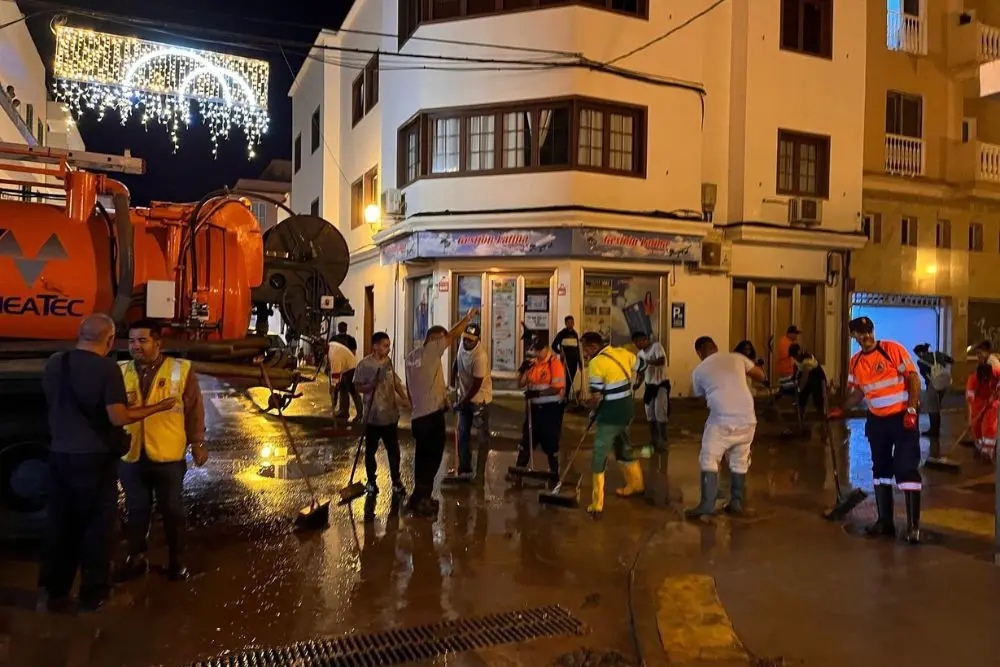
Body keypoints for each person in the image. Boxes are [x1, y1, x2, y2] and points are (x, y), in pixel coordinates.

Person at [39, 315, 175, 612]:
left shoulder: (54, 363)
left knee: (61, 525)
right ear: (110, 340)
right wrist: (157, 407)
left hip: (60, 456)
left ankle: (53, 592)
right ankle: (94, 594)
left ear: (79, 333)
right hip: (95, 461)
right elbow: (118, 417)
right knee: (97, 528)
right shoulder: (107, 369)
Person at [117, 320, 207, 582]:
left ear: (158, 343)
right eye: (132, 341)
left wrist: (198, 443)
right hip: (132, 455)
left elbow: (194, 411)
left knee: (173, 511)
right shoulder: (120, 371)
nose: (135, 346)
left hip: (168, 457)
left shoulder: (180, 370)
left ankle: (177, 563)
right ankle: (136, 559)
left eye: (142, 341)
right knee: (136, 511)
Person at [829, 316, 923, 543]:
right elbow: (859, 392)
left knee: (905, 468)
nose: (866, 336)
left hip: (902, 419)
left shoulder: (892, 349)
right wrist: (840, 409)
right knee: (880, 471)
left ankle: (913, 527)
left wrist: (911, 409)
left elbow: (913, 379)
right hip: (877, 421)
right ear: (853, 336)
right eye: (861, 333)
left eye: (869, 331)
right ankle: (885, 522)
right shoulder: (855, 362)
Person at [404, 307, 479, 517]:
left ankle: (416, 498)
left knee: (421, 458)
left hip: (418, 417)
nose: (445, 346)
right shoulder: (431, 351)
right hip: (431, 417)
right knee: (433, 459)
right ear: (435, 339)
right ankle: (423, 500)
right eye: (442, 342)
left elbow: (412, 390)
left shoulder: (411, 358)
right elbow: (452, 334)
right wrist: (468, 317)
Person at [685, 337, 765, 519]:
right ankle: (736, 502)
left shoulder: (699, 371)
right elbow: (761, 376)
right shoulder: (737, 358)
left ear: (699, 352)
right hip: (747, 419)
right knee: (740, 459)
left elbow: (700, 398)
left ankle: (707, 505)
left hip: (722, 420)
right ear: (716, 347)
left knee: (709, 457)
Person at [580, 331, 646, 516]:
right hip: (627, 410)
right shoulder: (622, 353)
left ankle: (596, 503)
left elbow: (597, 396)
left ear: (593, 347)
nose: (584, 354)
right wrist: (636, 385)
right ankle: (636, 484)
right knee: (623, 445)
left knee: (599, 455)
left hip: (610, 414)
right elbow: (642, 366)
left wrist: (589, 407)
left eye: (585, 349)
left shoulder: (596, 363)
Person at [354, 332, 410, 495]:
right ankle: (371, 481)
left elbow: (396, 383)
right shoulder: (364, 365)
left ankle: (396, 481)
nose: (388, 349)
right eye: (385, 346)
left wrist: (405, 399)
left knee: (394, 451)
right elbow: (357, 387)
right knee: (370, 451)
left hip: (390, 415)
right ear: (376, 346)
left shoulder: (388, 363)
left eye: (389, 345)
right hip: (372, 417)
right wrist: (370, 386)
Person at [514, 333, 566, 477]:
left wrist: (538, 394)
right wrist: (523, 370)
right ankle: (519, 471)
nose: (536, 353)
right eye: (534, 350)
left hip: (550, 409)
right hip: (533, 409)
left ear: (546, 348)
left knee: (550, 441)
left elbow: (557, 387)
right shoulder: (533, 363)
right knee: (527, 439)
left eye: (539, 350)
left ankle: (554, 473)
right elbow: (520, 384)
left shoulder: (554, 363)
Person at [453, 323, 492, 481]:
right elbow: (457, 363)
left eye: (470, 340)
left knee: (482, 437)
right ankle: (464, 469)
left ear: (477, 340)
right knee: (462, 434)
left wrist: (463, 401)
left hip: (479, 400)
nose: (467, 342)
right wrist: (455, 388)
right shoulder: (462, 345)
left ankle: (480, 474)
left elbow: (476, 384)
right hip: (464, 397)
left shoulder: (480, 357)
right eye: (465, 338)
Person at [632, 331, 669, 452]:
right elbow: (641, 372)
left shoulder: (656, 347)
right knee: (650, 414)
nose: (637, 344)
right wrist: (638, 383)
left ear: (645, 339)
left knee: (660, 413)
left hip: (661, 385)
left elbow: (661, 361)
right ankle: (654, 439)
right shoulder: (640, 354)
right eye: (635, 342)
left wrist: (647, 363)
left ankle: (663, 441)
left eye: (639, 341)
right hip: (649, 386)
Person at [913, 343, 953, 437]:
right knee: (937, 408)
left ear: (920, 353)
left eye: (917, 354)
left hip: (933, 385)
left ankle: (933, 431)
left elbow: (925, 376)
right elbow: (951, 360)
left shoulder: (921, 361)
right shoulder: (937, 354)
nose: (917, 356)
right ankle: (936, 430)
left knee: (933, 409)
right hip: (944, 384)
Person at [966, 363, 1000, 462]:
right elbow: (970, 402)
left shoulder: (996, 372)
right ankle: (979, 447)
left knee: (989, 425)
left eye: (987, 378)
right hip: (977, 401)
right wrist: (970, 420)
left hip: (992, 401)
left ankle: (987, 453)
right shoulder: (972, 380)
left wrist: (997, 391)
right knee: (976, 426)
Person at [790, 344, 827, 423]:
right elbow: (798, 368)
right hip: (810, 377)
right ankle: (802, 418)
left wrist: (799, 387)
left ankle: (823, 421)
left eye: (796, 355)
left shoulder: (807, 359)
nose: (795, 358)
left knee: (818, 399)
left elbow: (805, 376)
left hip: (817, 378)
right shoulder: (797, 358)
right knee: (802, 398)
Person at [332, 322, 362, 421]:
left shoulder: (333, 339)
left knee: (347, 390)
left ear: (338, 328)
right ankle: (344, 412)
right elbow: (353, 353)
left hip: (346, 368)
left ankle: (356, 413)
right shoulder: (351, 339)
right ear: (346, 328)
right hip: (349, 367)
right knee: (347, 390)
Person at [328, 335, 359, 422]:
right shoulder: (331, 346)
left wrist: (333, 386)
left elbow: (336, 372)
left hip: (350, 368)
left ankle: (360, 414)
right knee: (343, 389)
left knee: (353, 391)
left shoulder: (333, 354)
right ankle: (344, 412)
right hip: (344, 367)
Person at [552, 316, 582, 403]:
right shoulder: (562, 334)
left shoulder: (575, 334)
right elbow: (554, 345)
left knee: (571, 379)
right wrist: (559, 352)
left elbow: (578, 348)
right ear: (565, 323)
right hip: (565, 360)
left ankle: (566, 397)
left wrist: (579, 361)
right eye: (569, 323)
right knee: (566, 380)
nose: (571, 324)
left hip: (574, 360)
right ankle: (564, 397)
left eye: (572, 322)